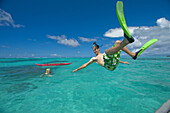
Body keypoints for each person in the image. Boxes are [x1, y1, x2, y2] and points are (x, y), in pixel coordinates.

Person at [72, 33, 140, 72]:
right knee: (107, 52)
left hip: (113, 63)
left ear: (98, 49)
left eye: (95, 49)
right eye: (93, 50)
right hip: (109, 67)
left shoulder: (104, 55)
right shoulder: (94, 59)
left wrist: (123, 62)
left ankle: (133, 55)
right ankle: (126, 42)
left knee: (117, 42)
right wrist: (77, 69)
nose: (94, 51)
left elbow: (114, 59)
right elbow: (85, 64)